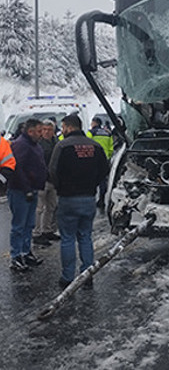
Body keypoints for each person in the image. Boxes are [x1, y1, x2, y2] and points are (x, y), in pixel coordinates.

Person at [49, 114, 109, 288]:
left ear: (68, 127)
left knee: (67, 239)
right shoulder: (95, 146)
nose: (62, 130)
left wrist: (61, 187)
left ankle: (67, 277)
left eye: (63, 127)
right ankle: (87, 276)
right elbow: (104, 170)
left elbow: (53, 170)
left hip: (68, 198)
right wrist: (92, 185)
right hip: (88, 197)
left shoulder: (62, 146)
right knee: (85, 237)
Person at [7, 119, 48, 273]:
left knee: (29, 224)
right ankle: (16, 256)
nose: (42, 134)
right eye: (39, 131)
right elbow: (17, 168)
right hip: (20, 191)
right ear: (30, 131)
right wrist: (26, 189)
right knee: (19, 225)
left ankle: (25, 252)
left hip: (32, 189)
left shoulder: (34, 144)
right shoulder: (21, 145)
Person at [33, 120, 60, 246]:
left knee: (51, 206)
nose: (46, 132)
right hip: (41, 180)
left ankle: (47, 230)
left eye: (49, 130)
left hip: (53, 180)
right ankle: (37, 233)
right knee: (39, 208)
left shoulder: (57, 142)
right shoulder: (38, 144)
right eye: (44, 129)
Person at [87, 116, 114, 209]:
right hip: (104, 159)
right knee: (103, 181)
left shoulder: (91, 133)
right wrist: (108, 157)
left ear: (95, 123)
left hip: (93, 159)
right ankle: (102, 199)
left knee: (92, 180)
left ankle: (91, 200)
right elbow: (111, 148)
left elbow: (87, 144)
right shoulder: (107, 133)